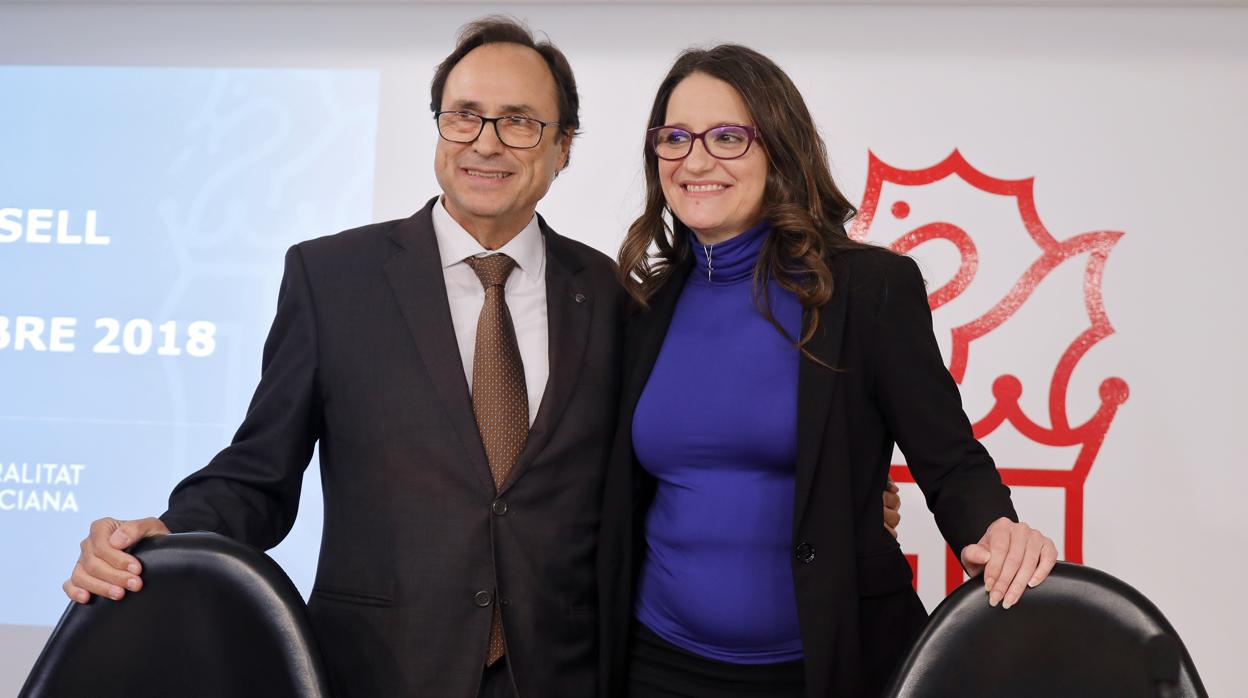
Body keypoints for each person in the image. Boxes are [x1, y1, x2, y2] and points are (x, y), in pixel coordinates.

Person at [59, 19, 902, 698]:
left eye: (521, 121)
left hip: (569, 673)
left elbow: (663, 473)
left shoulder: (616, 297)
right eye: (465, 115)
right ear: (439, 128)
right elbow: (259, 471)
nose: (488, 142)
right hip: (383, 669)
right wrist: (165, 530)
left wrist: (847, 498)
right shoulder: (332, 277)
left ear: (564, 145)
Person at [598, 45, 1058, 698]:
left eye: (728, 137)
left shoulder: (868, 291)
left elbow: (950, 459)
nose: (695, 159)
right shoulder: (641, 307)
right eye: (675, 137)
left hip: (829, 664)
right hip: (658, 666)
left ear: (778, 149)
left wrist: (996, 531)